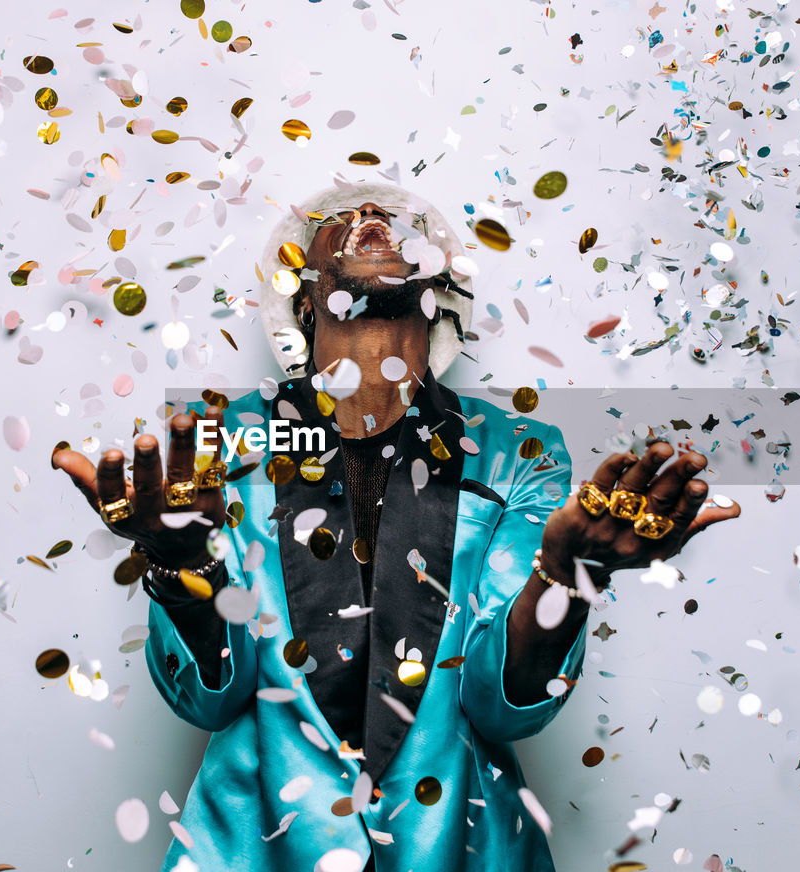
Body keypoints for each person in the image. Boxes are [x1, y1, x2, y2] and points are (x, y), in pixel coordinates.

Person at [53, 183, 740, 871]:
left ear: (439, 289)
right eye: (336, 219)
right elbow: (211, 701)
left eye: (391, 216)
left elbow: (499, 708)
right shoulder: (215, 445)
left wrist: (567, 578)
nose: (370, 218)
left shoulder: (519, 450)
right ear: (301, 293)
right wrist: (181, 566)